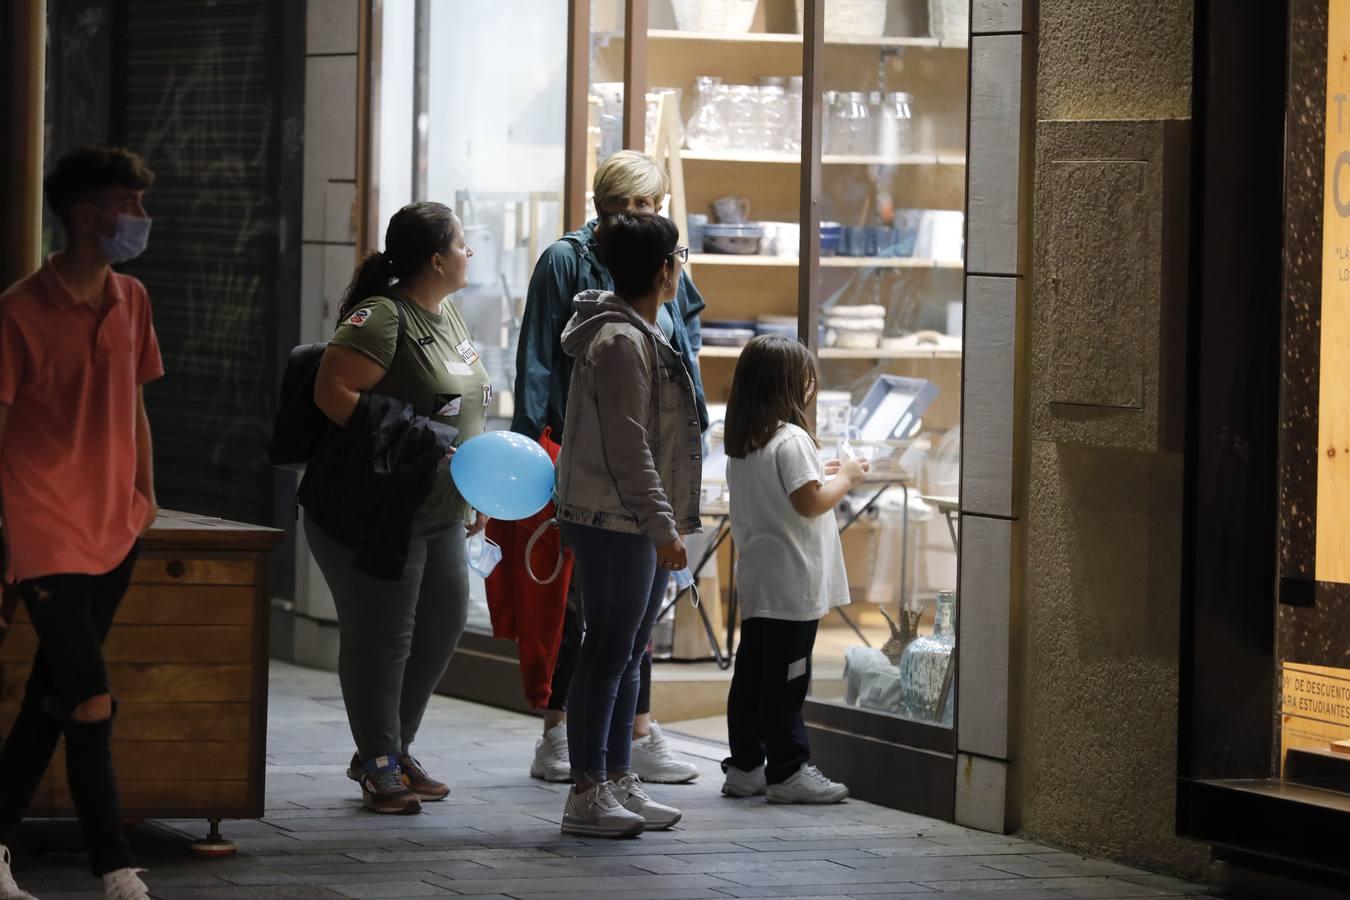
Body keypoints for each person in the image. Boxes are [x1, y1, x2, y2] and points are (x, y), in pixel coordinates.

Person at [513, 150, 705, 786]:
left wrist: (696, 434)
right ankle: (577, 754)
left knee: (628, 632)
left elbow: (686, 352)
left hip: (644, 473)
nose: (629, 216)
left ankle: (626, 752)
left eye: (642, 205)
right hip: (592, 469)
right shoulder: (577, 277)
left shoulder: (660, 272)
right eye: (617, 205)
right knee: (592, 625)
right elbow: (540, 363)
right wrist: (537, 450)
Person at [0, 146, 161, 899]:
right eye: (129, 205)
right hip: (45, 527)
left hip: (115, 526)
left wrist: (145, 496)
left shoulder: (132, 299)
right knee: (90, 699)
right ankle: (113, 864)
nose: (141, 218)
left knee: (52, 698)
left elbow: (136, 402)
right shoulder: (18, 312)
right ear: (87, 215)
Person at [304, 202, 489, 815]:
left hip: (441, 507)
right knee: (384, 637)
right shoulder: (383, 317)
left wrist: (477, 489)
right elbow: (331, 391)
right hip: (378, 512)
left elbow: (462, 407)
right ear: (436, 260)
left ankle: (392, 750)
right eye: (462, 245)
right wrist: (416, 443)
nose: (469, 254)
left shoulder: (448, 313)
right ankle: (380, 759)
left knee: (442, 626)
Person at [553, 212, 702, 838]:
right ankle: (587, 792)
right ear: (664, 269)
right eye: (679, 258)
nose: (680, 269)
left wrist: (663, 521)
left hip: (631, 515)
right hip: (614, 518)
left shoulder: (641, 331)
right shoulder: (620, 340)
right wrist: (662, 524)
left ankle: (616, 779)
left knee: (628, 651)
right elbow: (629, 446)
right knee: (608, 651)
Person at [719, 335, 866, 804]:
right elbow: (810, 502)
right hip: (793, 583)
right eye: (805, 378)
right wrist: (848, 478)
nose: (810, 386)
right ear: (788, 384)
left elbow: (789, 493)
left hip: (760, 582)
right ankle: (788, 770)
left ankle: (745, 766)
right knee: (788, 679)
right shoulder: (792, 439)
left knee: (752, 677)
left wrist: (824, 472)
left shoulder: (745, 443)